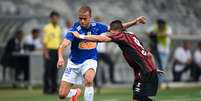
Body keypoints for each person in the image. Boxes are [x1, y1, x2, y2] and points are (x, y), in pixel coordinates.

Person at [57, 5, 146, 101]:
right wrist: (60, 57)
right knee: (62, 95)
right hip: (73, 63)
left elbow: (117, 28)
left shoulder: (97, 27)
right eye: (80, 18)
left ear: (90, 18)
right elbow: (63, 45)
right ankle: (75, 93)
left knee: (89, 80)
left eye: (85, 18)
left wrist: (135, 22)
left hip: (89, 60)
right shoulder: (74, 30)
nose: (82, 21)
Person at [71, 20, 159, 101]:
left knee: (137, 98)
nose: (110, 33)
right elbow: (149, 55)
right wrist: (153, 68)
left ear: (116, 31)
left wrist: (81, 36)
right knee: (138, 98)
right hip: (145, 72)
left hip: (145, 72)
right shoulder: (131, 35)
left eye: (111, 31)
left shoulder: (120, 36)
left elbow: (101, 38)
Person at [42, 11, 62, 94]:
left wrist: (60, 53)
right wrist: (45, 52)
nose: (55, 19)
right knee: (48, 71)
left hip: (56, 51)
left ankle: (54, 88)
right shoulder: (47, 28)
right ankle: (46, 89)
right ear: (51, 18)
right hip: (49, 50)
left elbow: (60, 41)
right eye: (54, 17)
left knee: (55, 71)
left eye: (57, 17)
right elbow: (44, 41)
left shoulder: (58, 28)